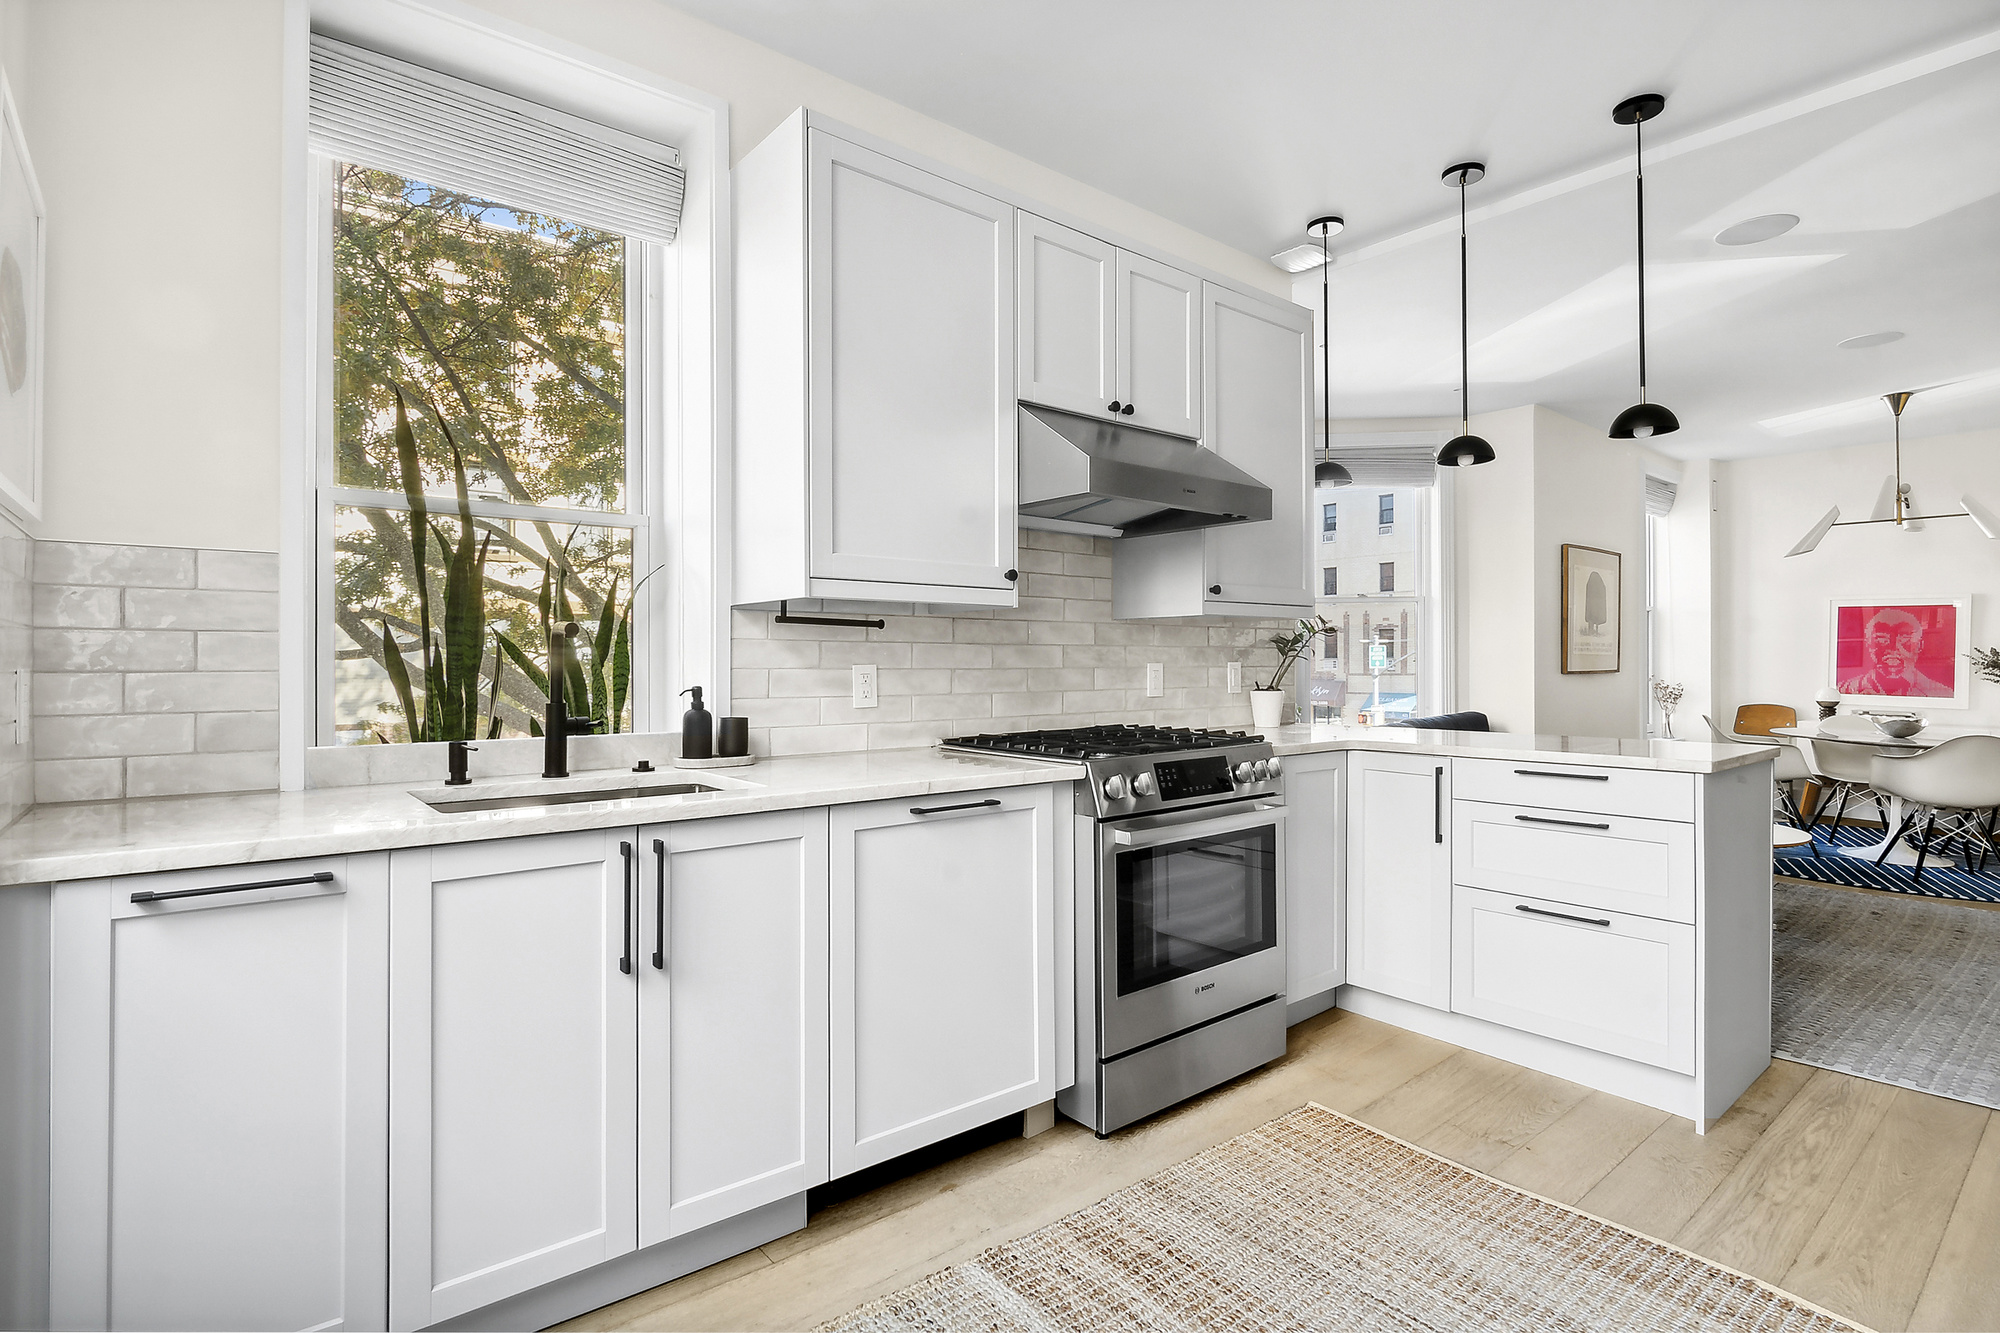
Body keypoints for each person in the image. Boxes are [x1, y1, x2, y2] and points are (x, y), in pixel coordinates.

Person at [1837, 607, 1952, 698]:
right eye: (1881, 639)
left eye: (1905, 638)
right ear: (1868, 645)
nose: (1892, 648)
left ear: (1920, 645)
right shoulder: (1842, 690)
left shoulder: (1942, 693)